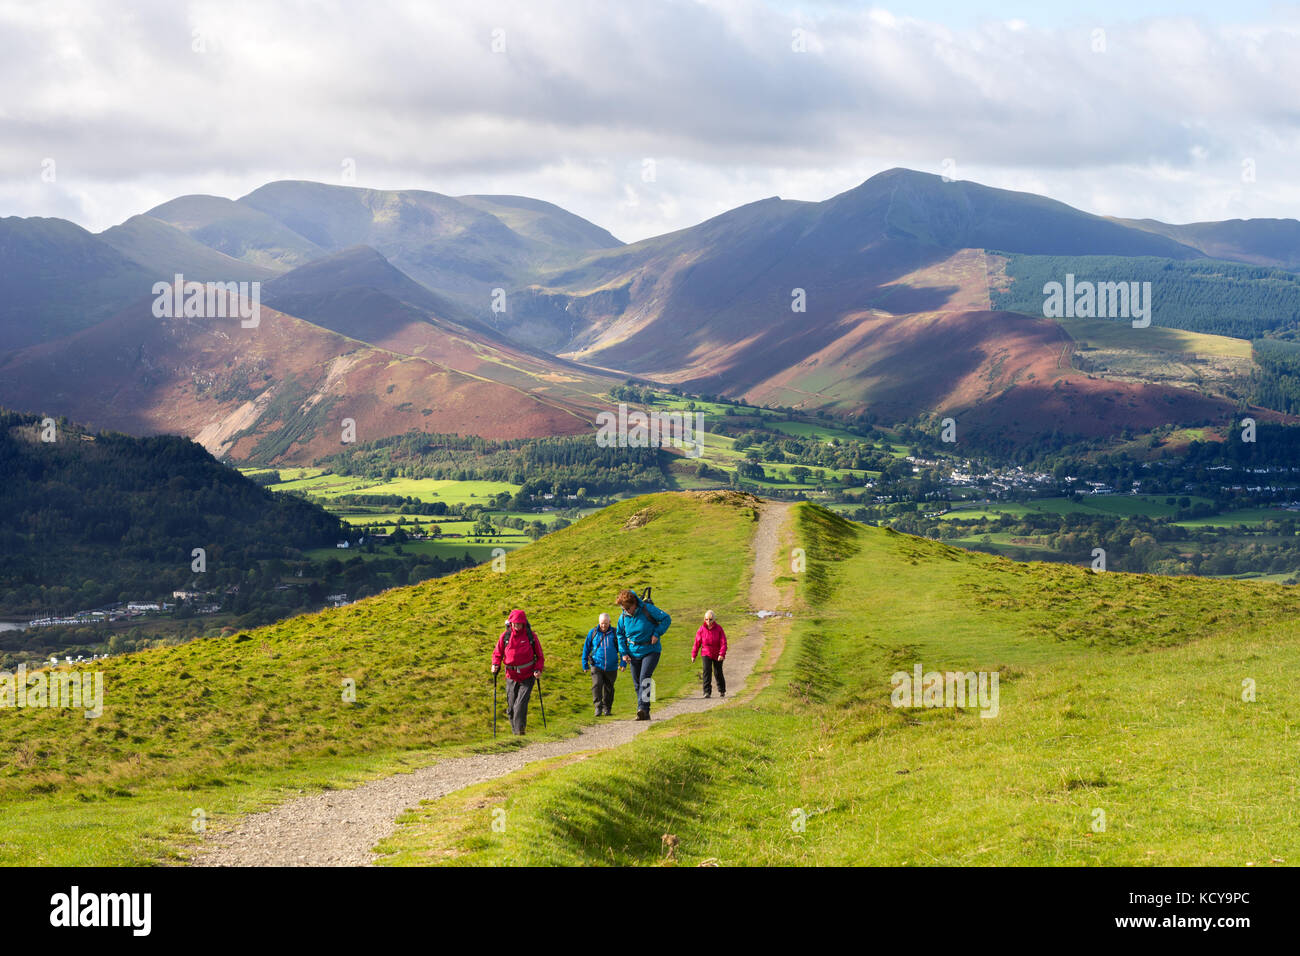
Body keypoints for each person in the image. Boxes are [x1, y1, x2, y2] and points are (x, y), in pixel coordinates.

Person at [615, 588, 671, 721]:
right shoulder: (623, 617)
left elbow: (666, 619)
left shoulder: (647, 609)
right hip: (633, 652)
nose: (626, 611)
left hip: (651, 650)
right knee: (637, 683)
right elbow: (620, 635)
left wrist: (657, 633)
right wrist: (623, 652)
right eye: (623, 608)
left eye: (628, 608)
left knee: (645, 677)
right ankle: (645, 712)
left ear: (634, 603)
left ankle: (642, 708)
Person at [491, 609, 544, 735]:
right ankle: (516, 732)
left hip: (527, 676)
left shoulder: (531, 636)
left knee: (519, 706)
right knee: (511, 708)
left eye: (519, 623)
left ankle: (519, 734)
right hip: (511, 676)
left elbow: (540, 656)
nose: (516, 625)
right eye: (514, 623)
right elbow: (497, 653)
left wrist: (538, 669)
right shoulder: (505, 636)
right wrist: (495, 664)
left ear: (524, 623)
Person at [582, 612, 624, 716]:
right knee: (597, 685)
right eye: (602, 623)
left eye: (606, 623)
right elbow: (586, 649)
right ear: (599, 623)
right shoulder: (593, 633)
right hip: (597, 665)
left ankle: (607, 709)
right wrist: (584, 664)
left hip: (611, 666)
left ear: (610, 622)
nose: (604, 625)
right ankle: (598, 707)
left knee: (609, 688)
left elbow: (622, 648)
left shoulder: (615, 633)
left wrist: (623, 662)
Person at [691, 609, 728, 698]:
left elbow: (724, 642)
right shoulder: (701, 629)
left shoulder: (719, 629)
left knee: (717, 672)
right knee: (706, 671)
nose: (708, 621)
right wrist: (694, 655)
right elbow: (697, 643)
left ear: (714, 619)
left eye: (710, 619)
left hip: (717, 653)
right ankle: (707, 692)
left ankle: (721, 690)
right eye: (706, 619)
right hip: (706, 652)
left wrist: (721, 654)